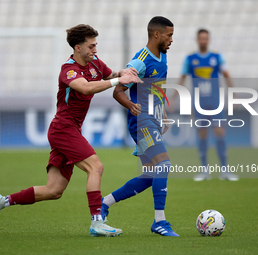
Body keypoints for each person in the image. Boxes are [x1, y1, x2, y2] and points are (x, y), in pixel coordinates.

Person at [0, 24, 139, 237]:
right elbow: (85, 87)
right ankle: (97, 222)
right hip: (63, 128)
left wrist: (124, 71)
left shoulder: (95, 64)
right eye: (91, 46)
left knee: (54, 190)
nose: (95, 50)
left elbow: (110, 73)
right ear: (77, 47)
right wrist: (118, 80)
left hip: (69, 129)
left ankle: (2, 201)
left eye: (96, 45)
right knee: (96, 167)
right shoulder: (69, 69)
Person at [101, 16, 179, 237]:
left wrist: (161, 111)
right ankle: (160, 222)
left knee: (150, 176)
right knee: (163, 164)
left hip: (151, 120)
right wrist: (131, 105)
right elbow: (117, 91)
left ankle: (104, 203)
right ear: (156, 34)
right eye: (169, 35)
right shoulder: (140, 61)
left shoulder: (162, 55)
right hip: (141, 122)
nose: (172, 39)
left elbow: (154, 88)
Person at [170, 29, 239, 181]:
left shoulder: (217, 57)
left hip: (215, 102)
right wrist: (173, 98)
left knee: (220, 133)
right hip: (198, 102)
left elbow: (227, 76)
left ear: (209, 40)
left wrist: (233, 94)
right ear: (197, 40)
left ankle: (224, 170)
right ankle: (204, 170)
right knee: (202, 135)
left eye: (205, 38)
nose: (203, 41)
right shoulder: (190, 59)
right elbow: (182, 79)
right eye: (201, 38)